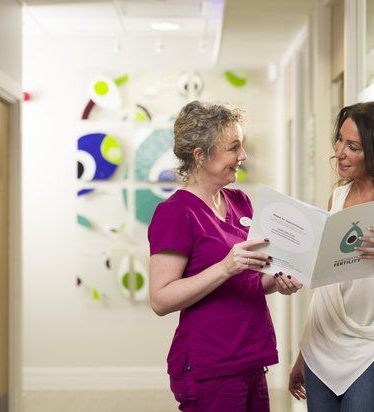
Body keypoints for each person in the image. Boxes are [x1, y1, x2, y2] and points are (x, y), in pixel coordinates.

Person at [148, 101, 302, 412]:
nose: (242, 156)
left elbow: (248, 281)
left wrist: (278, 280)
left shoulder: (239, 201)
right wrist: (225, 267)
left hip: (251, 356)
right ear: (200, 155)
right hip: (210, 366)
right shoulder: (175, 213)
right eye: (233, 148)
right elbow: (161, 299)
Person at [288, 100, 374, 412]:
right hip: (320, 345)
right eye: (339, 140)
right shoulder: (337, 197)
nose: (339, 152)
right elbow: (326, 282)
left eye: (353, 146)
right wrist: (303, 352)